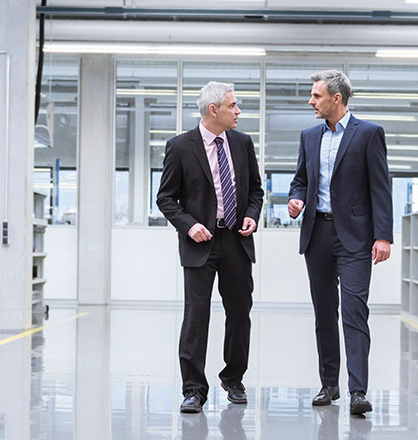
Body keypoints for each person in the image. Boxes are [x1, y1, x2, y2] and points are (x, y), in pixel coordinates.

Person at [287, 70, 393, 415]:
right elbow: (301, 179)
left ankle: (358, 391)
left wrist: (383, 236)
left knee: (353, 312)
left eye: (316, 96)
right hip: (317, 234)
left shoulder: (369, 134)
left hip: (356, 239)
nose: (310, 101)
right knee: (324, 314)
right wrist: (296, 198)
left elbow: (381, 188)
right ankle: (329, 384)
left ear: (336, 98)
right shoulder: (308, 136)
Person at [157, 81, 264, 414]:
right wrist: (190, 226)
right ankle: (193, 389)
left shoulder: (242, 143)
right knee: (196, 316)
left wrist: (251, 215)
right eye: (233, 105)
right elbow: (165, 198)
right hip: (200, 242)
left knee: (239, 313)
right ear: (213, 110)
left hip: (236, 239)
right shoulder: (180, 147)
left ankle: (234, 379)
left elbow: (256, 191)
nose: (238, 111)